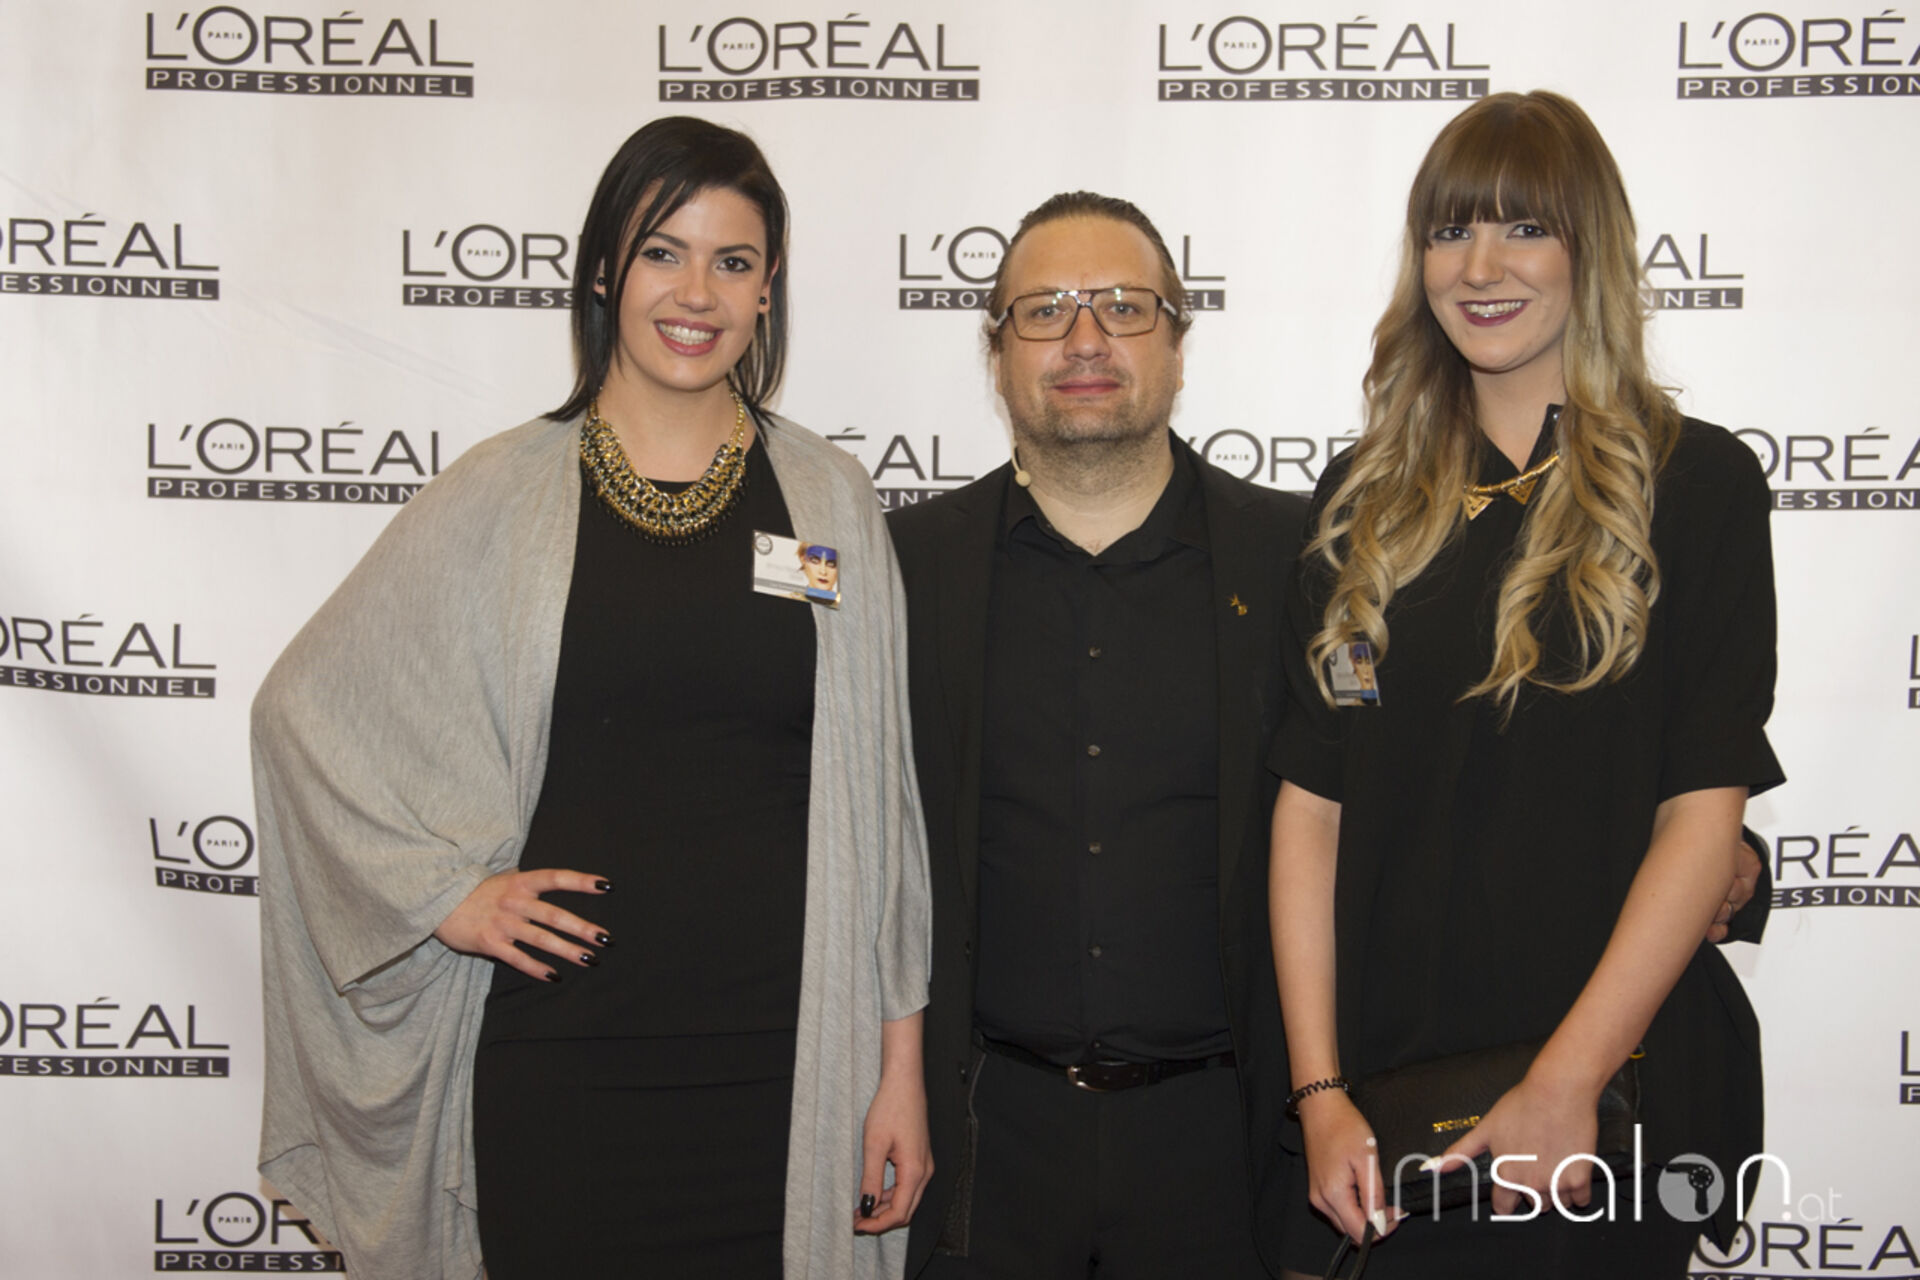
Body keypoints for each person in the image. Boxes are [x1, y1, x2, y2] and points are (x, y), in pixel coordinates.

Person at [253, 116, 931, 1280]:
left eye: (733, 261)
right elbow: (301, 717)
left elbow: (886, 813)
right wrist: (442, 895)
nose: (697, 293)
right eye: (664, 251)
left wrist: (899, 1067)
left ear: (769, 288)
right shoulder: (499, 493)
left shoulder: (828, 497)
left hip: (786, 1067)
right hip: (563, 1064)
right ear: (607, 268)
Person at [1269, 91, 1782, 1279]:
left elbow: (1704, 812)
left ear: (1588, 248)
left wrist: (1566, 1081)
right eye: (1451, 230)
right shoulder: (1359, 505)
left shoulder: (1697, 485)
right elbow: (1313, 810)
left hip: (1616, 1102)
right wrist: (1319, 1091)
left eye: (1524, 228)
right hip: (1396, 1110)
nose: (1481, 266)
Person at [891, 191, 1309, 1277]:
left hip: (1230, 1145)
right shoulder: (905, 570)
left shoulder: (1302, 561)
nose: (1085, 339)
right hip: (981, 1143)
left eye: (1124, 306)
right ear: (997, 356)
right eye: (1043, 312)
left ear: (1178, 343)